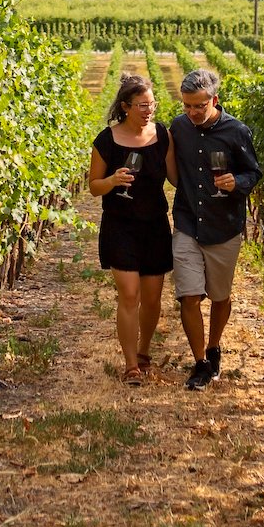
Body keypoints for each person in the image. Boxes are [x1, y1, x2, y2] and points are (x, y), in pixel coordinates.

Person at [165, 68, 261, 390]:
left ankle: (214, 346)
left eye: (199, 106)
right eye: (187, 106)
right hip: (187, 223)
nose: (192, 113)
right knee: (189, 296)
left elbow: (253, 173)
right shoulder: (178, 128)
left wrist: (237, 183)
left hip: (224, 227)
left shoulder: (237, 131)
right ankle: (201, 364)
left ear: (214, 100)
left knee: (220, 297)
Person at [87, 73, 173, 384]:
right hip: (120, 226)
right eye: (142, 105)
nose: (149, 110)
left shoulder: (163, 135)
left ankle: (144, 352)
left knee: (152, 299)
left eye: (152, 104)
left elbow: (175, 177)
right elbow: (94, 186)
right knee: (130, 295)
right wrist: (112, 181)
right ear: (125, 107)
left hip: (155, 225)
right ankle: (130, 366)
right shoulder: (106, 140)